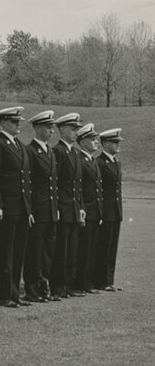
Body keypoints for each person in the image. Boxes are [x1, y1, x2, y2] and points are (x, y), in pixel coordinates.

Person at [0, 106, 34, 308]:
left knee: (18, 251)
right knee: (5, 251)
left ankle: (14, 293)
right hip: (7, 207)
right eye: (14, 121)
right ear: (3, 122)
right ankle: (3, 294)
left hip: (21, 208)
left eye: (19, 121)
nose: (18, 124)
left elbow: (26, 181)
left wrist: (29, 210)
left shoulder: (20, 145)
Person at [23, 110, 59, 302]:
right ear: (37, 128)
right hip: (38, 210)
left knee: (47, 252)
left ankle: (44, 287)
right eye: (47, 127)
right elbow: (27, 184)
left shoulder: (51, 152)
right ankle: (32, 290)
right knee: (34, 252)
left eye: (52, 127)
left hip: (51, 210)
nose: (51, 131)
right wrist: (29, 210)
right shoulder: (30, 151)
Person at [50, 112, 85, 299]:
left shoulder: (75, 152)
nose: (75, 132)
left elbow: (77, 185)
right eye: (72, 129)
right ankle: (58, 286)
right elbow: (55, 183)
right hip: (62, 207)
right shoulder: (58, 151)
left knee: (72, 250)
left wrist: (80, 207)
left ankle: (69, 285)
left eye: (77, 129)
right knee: (60, 251)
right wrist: (57, 206)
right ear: (62, 129)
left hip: (73, 208)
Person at [94, 128, 124, 292]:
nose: (118, 145)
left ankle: (108, 280)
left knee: (112, 247)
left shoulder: (116, 162)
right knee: (103, 247)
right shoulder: (100, 163)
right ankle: (100, 280)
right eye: (114, 142)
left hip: (115, 211)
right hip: (105, 212)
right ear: (105, 143)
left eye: (118, 142)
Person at [76, 123, 103, 295]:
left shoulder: (92, 160)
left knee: (91, 249)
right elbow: (79, 188)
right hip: (86, 210)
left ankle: (88, 282)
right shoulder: (80, 160)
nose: (96, 143)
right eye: (92, 139)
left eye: (96, 139)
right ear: (83, 142)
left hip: (95, 211)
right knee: (83, 249)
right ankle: (81, 283)